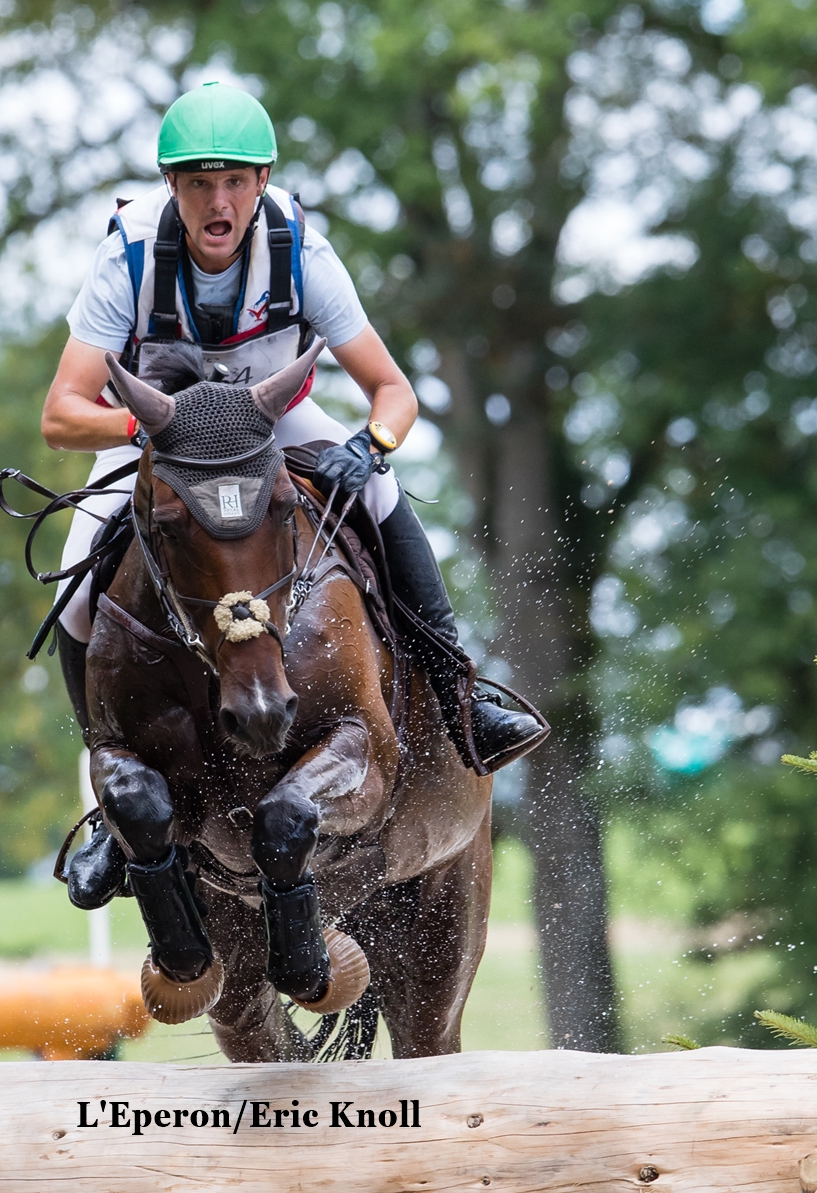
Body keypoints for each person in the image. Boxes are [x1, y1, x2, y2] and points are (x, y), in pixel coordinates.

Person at [40, 83, 544, 904]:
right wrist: (155, 436)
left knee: (383, 503)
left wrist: (368, 446)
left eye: (236, 180)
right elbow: (62, 414)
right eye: (199, 182)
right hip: (163, 432)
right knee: (77, 571)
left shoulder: (301, 247)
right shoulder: (128, 252)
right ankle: (110, 806)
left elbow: (394, 393)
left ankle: (463, 701)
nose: (219, 201)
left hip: (273, 417)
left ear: (264, 179)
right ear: (172, 187)